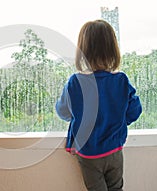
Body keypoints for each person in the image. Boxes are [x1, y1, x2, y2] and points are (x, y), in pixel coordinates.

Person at [55, 20, 142, 191]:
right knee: (116, 188)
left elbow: (63, 112)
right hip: (114, 149)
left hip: (89, 153)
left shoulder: (75, 82)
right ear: (113, 49)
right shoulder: (121, 80)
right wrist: (117, 118)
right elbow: (134, 111)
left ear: (82, 51)